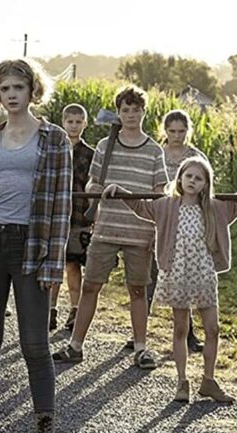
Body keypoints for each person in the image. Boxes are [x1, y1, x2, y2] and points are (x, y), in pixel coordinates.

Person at [0, 58, 71, 433]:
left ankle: (45, 424)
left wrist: (53, 264)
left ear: (32, 90)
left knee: (34, 343)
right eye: (4, 89)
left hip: (32, 244)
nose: (11, 95)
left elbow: (61, 205)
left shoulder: (54, 138)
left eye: (18, 88)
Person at [103, 156, 237, 403]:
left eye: (199, 178)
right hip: (177, 273)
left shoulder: (214, 208)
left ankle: (209, 381)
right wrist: (120, 192)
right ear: (179, 178)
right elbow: (140, 206)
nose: (193, 181)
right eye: (189, 176)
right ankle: (182, 381)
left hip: (203, 274)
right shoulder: (166, 206)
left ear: (206, 184)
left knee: (213, 328)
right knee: (181, 327)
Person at [52, 85, 167, 370]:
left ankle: (141, 348)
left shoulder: (154, 150)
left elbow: (159, 193)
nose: (130, 115)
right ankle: (76, 345)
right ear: (118, 113)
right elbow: (92, 184)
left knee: (138, 290)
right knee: (90, 286)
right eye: (125, 110)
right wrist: (99, 189)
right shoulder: (105, 145)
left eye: (135, 110)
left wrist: (156, 231)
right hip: (105, 227)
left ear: (143, 112)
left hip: (139, 231)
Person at [149, 109, 210, 352]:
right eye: (172, 131)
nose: (176, 135)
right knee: (154, 273)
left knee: (185, 276)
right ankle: (141, 331)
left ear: (188, 131)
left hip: (188, 221)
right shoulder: (158, 154)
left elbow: (207, 185)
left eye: (181, 131)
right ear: (165, 131)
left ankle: (188, 334)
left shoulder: (196, 156)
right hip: (163, 218)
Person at [49, 103, 94, 332]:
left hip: (78, 216)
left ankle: (75, 310)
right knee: (54, 263)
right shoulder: (55, 149)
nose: (74, 126)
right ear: (63, 122)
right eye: (70, 122)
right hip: (56, 214)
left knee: (73, 265)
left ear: (85, 124)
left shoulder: (90, 154)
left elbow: (92, 183)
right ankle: (50, 309)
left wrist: (91, 216)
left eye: (78, 122)